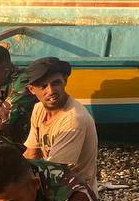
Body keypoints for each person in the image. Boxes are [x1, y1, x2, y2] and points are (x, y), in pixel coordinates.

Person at [22, 57, 99, 193]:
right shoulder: (39, 109)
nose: (50, 91)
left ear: (65, 80)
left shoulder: (73, 120)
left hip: (74, 194)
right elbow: (32, 153)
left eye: (56, 83)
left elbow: (54, 171)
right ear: (32, 90)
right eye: (43, 86)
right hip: (51, 181)